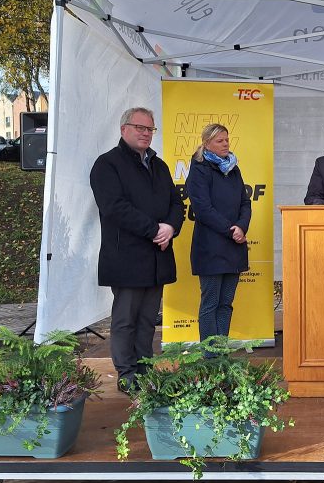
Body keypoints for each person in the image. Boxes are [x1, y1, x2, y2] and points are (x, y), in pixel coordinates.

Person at [89, 107, 184, 395]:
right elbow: (115, 207)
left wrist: (170, 227)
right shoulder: (107, 164)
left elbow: (176, 204)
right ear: (124, 129)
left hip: (157, 256)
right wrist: (154, 229)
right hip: (127, 257)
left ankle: (145, 367)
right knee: (126, 319)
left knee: (147, 320)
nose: (145, 133)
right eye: (139, 127)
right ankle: (127, 372)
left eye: (150, 129)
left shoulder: (160, 166)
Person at [185, 123, 251, 343]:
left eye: (227, 140)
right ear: (207, 144)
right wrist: (230, 230)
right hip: (210, 248)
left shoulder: (233, 168)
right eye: (219, 141)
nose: (225, 144)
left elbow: (245, 202)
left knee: (226, 303)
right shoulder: (199, 169)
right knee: (210, 303)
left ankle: (221, 351)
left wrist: (242, 226)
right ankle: (209, 355)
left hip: (234, 247)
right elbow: (202, 209)